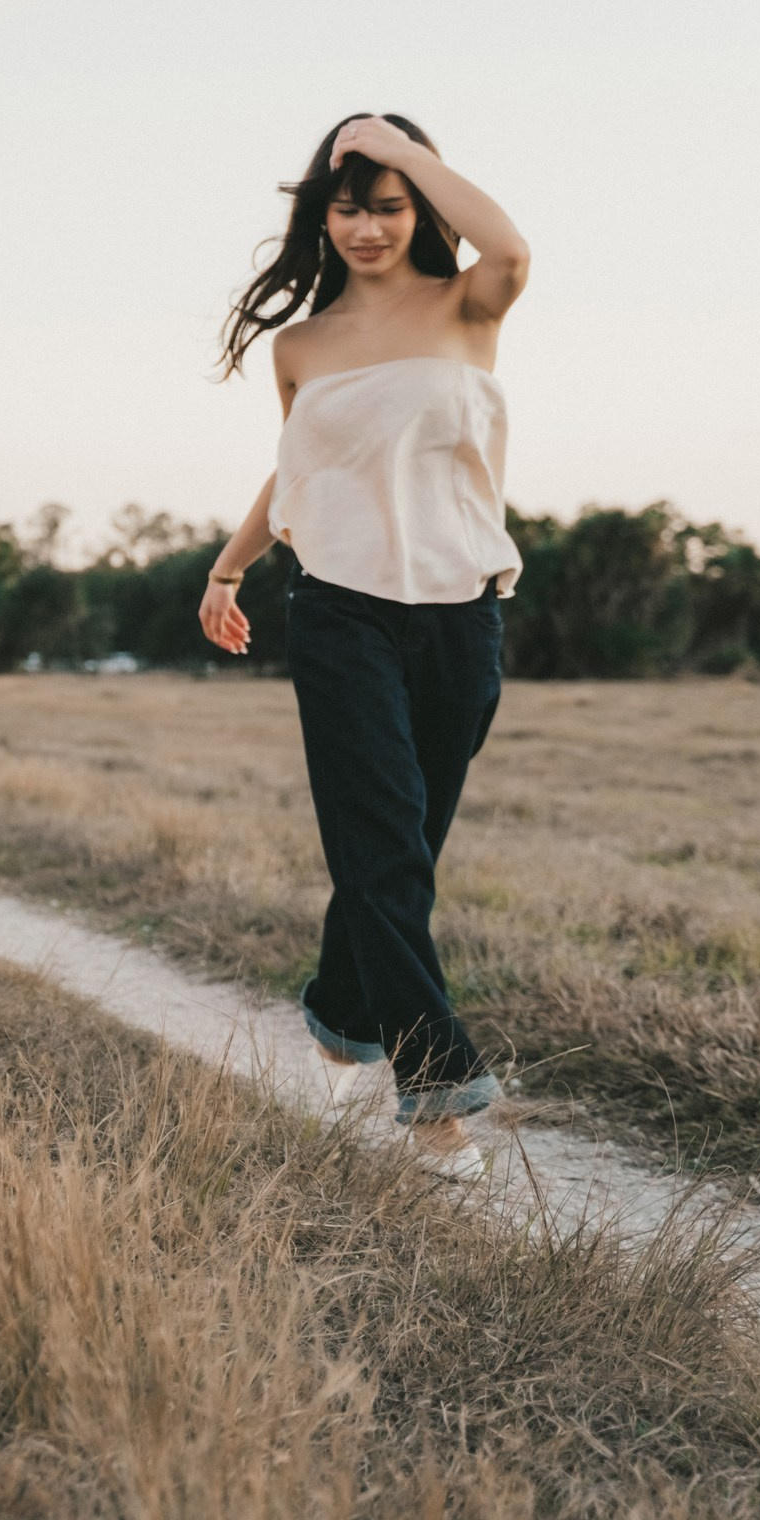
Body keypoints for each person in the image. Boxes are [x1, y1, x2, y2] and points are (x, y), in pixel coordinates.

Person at [196, 113, 529, 1180]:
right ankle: (434, 1091)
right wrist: (228, 567)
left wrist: (397, 143)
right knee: (380, 844)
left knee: (405, 849)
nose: (368, 228)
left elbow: (510, 243)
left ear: (421, 207)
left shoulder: (470, 302)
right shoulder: (299, 347)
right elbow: (298, 468)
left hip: (460, 611)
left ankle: (342, 1012)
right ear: (322, 218)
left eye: (390, 207)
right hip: (340, 610)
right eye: (348, 209)